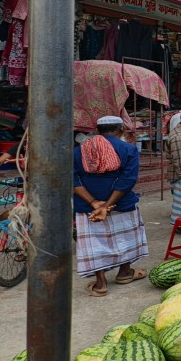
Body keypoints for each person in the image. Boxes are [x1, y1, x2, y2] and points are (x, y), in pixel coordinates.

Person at [73, 116, 149, 297]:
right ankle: (124, 273)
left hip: (89, 206)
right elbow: (128, 180)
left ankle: (100, 284)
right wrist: (107, 206)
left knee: (94, 243)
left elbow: (72, 179)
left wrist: (94, 203)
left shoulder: (78, 151)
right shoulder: (128, 149)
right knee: (126, 237)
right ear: (121, 129)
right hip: (120, 203)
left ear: (97, 131)